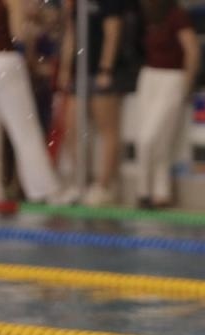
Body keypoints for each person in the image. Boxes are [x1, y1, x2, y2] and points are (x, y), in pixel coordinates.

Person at [0, 0, 65, 202]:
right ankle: (42, 188)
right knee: (25, 129)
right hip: (5, 61)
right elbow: (18, 34)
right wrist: (32, 22)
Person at [59, 0, 139, 205]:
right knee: (72, 129)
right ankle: (80, 181)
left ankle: (104, 185)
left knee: (108, 130)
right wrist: (65, 67)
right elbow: (72, 33)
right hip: (81, 70)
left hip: (102, 70)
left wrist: (106, 68)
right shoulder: (77, 3)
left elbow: (113, 31)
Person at [131, 0, 199, 208]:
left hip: (172, 79)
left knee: (150, 137)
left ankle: (144, 190)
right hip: (149, 77)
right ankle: (160, 192)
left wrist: (186, 85)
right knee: (154, 138)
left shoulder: (177, 16)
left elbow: (192, 51)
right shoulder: (147, 15)